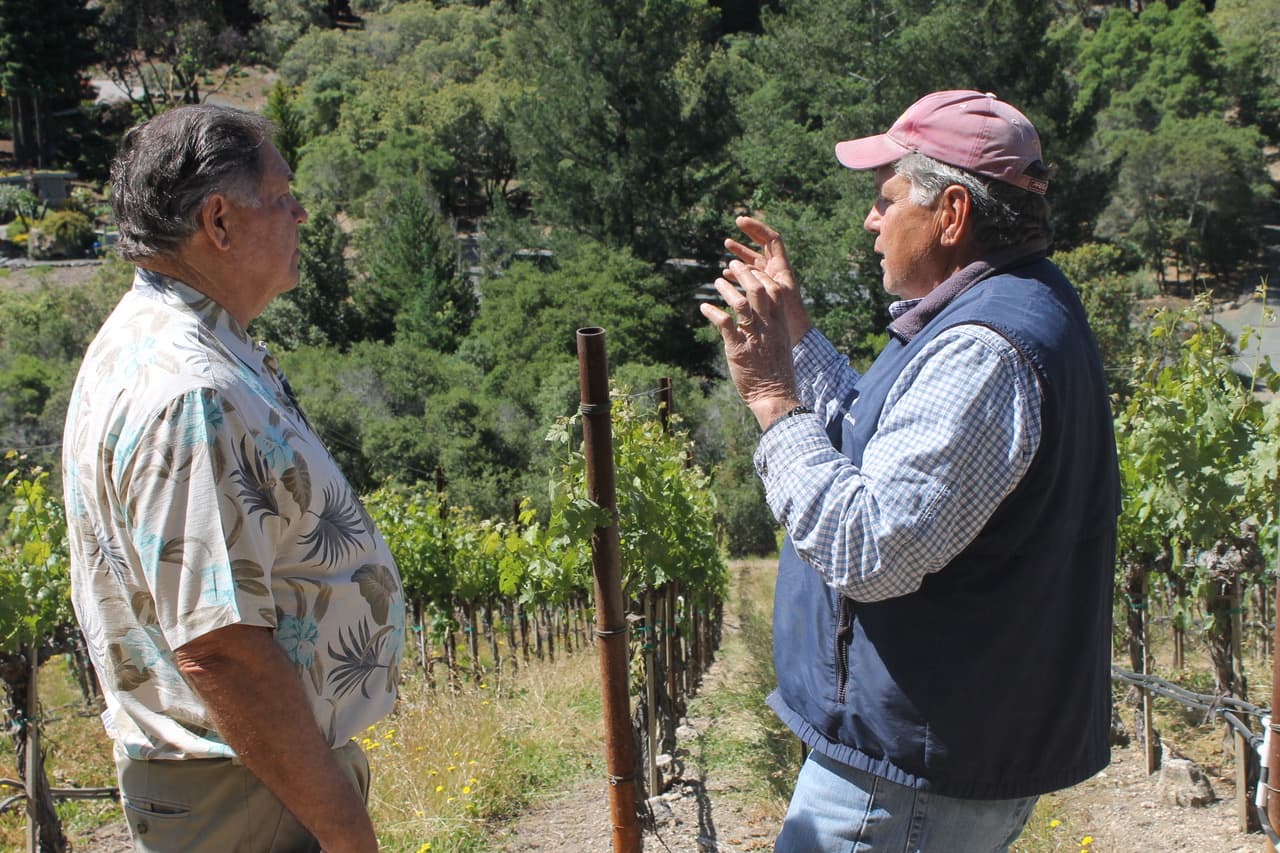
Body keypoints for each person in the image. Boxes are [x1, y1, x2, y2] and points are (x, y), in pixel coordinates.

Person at [701, 90, 1120, 852]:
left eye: (887, 198)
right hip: (922, 767)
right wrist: (796, 331)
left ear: (952, 213)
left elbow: (872, 546)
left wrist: (771, 397)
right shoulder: (1004, 310)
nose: (871, 218)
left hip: (906, 783)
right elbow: (879, 447)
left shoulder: (982, 349)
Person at [62, 105, 405, 853]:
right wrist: (348, 834)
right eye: (283, 195)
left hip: (253, 782)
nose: (302, 211)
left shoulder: (162, 345)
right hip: (250, 795)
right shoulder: (192, 392)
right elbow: (220, 646)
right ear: (218, 221)